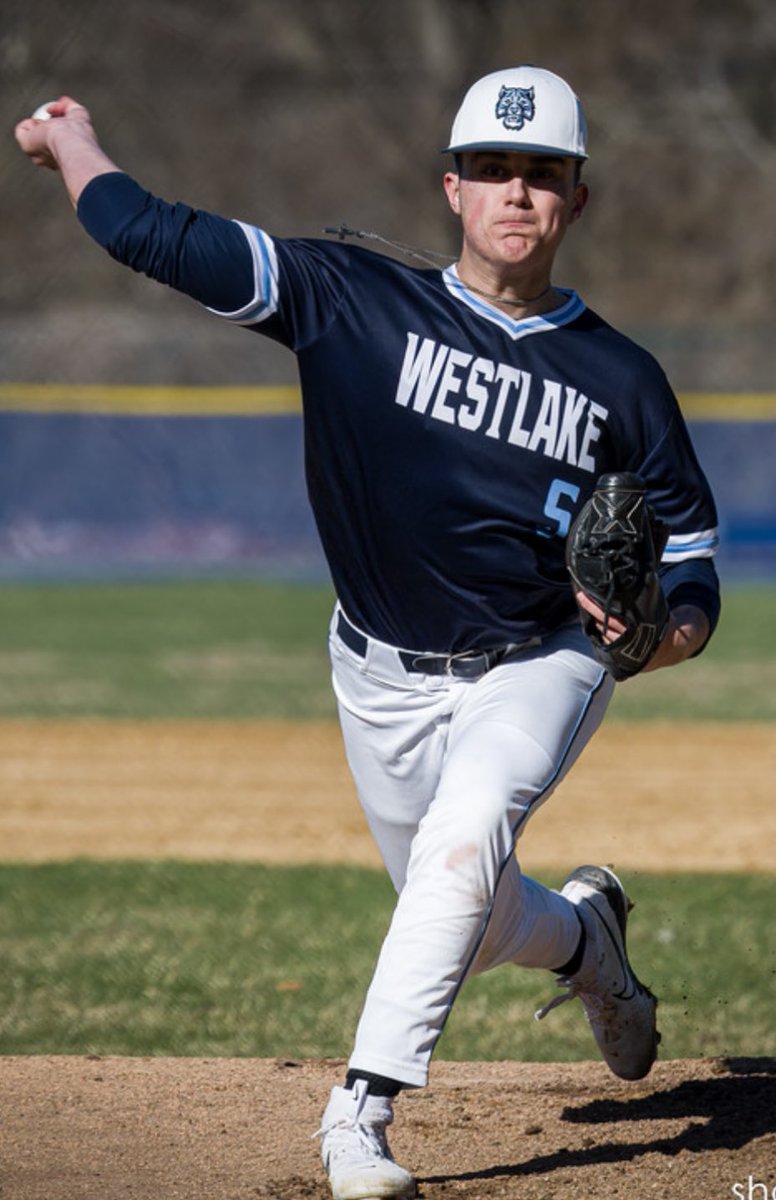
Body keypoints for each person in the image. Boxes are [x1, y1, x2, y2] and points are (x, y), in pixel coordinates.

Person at [16, 65, 720, 1200]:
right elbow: (149, 232)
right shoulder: (347, 297)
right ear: (451, 187)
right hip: (377, 670)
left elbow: (688, 558)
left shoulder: (620, 381)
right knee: (467, 911)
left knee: (463, 838)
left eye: (542, 174)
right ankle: (589, 940)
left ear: (576, 201)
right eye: (492, 169)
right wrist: (76, 146)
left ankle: (359, 1114)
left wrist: (662, 636)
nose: (515, 193)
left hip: (540, 660)